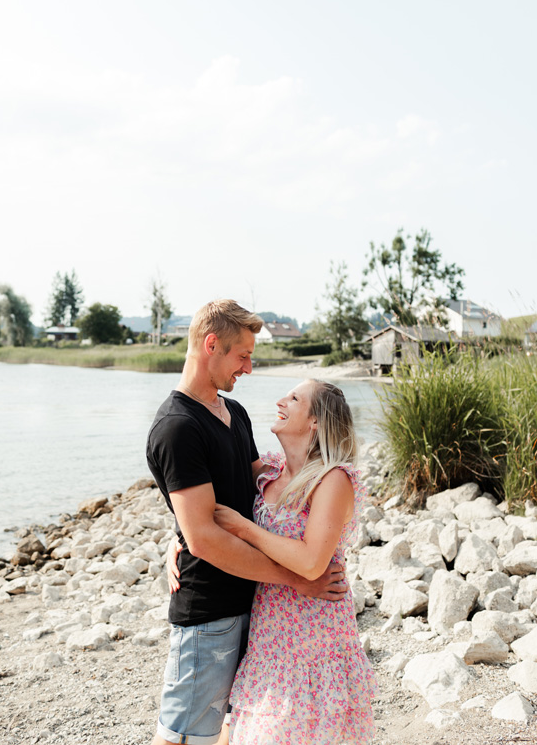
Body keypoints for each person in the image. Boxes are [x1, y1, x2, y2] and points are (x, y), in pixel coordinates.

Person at [146, 300, 347, 745]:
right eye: (243, 356)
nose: (249, 368)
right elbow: (204, 537)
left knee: (236, 729)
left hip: (256, 608)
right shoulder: (177, 427)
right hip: (209, 612)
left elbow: (256, 486)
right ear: (211, 344)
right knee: (182, 736)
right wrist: (298, 581)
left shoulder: (233, 413)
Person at [213, 379, 377, 745]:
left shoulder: (332, 479)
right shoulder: (269, 472)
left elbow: (312, 562)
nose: (280, 401)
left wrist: (246, 529)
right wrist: (181, 544)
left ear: (316, 421)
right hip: (269, 638)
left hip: (314, 640)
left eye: (293, 398)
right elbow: (209, 504)